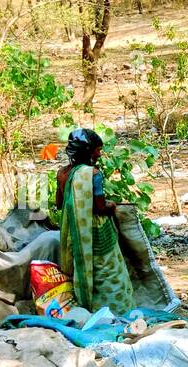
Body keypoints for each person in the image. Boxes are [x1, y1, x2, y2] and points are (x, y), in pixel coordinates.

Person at [56, 128, 136, 315]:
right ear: (87, 151)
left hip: (75, 233)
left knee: (83, 270)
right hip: (98, 233)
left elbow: (59, 204)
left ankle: (89, 310)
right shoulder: (93, 174)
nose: (99, 154)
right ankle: (117, 312)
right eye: (97, 150)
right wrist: (112, 205)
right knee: (108, 272)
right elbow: (100, 208)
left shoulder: (62, 174)